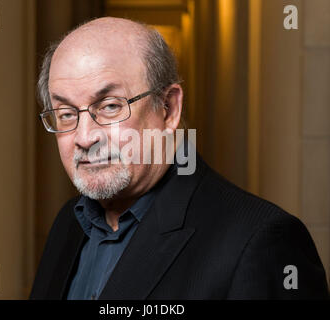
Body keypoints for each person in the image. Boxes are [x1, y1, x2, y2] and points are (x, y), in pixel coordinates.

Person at [30, 17, 329, 300]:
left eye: (109, 106)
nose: (84, 137)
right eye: (66, 114)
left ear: (169, 109)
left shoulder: (262, 241)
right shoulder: (69, 222)